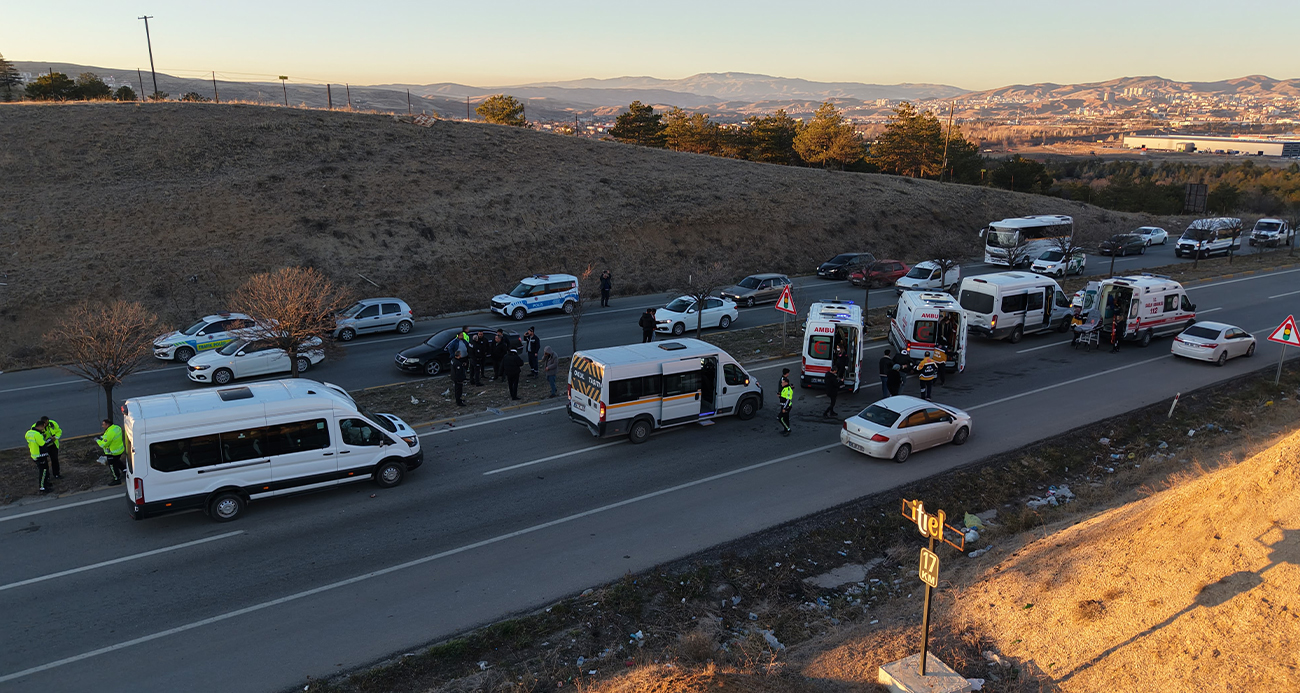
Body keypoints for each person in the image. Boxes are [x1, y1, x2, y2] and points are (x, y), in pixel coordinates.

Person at [96, 418, 126, 486]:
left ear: (107, 425)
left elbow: (103, 444)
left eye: (103, 424)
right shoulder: (116, 427)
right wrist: (102, 437)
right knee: (117, 460)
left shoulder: (110, 432)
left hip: (112, 452)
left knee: (112, 465)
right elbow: (108, 437)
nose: (102, 426)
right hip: (119, 450)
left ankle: (117, 479)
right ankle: (124, 470)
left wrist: (97, 440)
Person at [26, 421, 51, 493]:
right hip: (40, 455)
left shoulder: (29, 433)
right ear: (41, 426)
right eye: (43, 427)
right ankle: (42, 487)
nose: (43, 429)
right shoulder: (37, 435)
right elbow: (43, 444)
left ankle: (46, 484)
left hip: (34, 455)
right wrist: (49, 439)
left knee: (44, 470)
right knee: (43, 472)